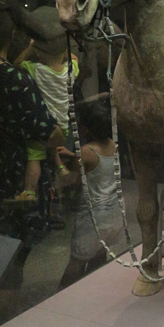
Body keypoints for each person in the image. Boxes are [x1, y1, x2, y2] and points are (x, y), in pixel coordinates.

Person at [0, 0, 65, 239]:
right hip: (13, 190)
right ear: (12, 33)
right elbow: (50, 135)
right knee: (13, 255)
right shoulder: (12, 78)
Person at [8, 6, 79, 203]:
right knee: (52, 145)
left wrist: (30, 49)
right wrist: (63, 49)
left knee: (35, 158)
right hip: (62, 127)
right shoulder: (70, 71)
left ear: (38, 55)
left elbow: (16, 64)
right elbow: (74, 58)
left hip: (43, 125)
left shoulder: (36, 70)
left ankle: (29, 191)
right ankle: (62, 168)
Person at [57, 95, 125, 287]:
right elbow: (98, 164)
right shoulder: (113, 145)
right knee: (99, 255)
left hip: (92, 220)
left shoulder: (85, 152)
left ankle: (63, 296)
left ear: (86, 128)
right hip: (113, 215)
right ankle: (92, 291)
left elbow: (70, 180)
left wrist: (57, 161)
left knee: (77, 262)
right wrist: (73, 155)